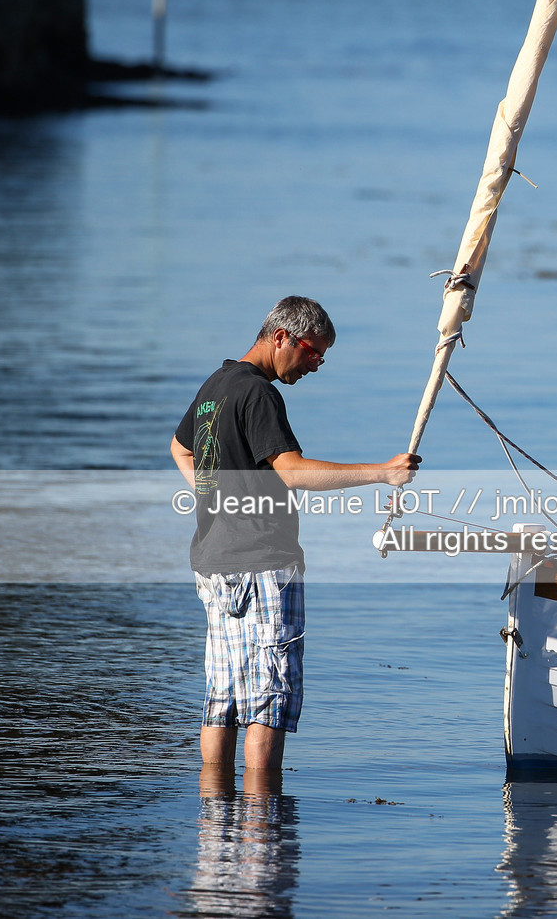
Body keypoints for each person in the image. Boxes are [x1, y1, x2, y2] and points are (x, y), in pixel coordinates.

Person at [170, 296, 420, 780]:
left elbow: (179, 448)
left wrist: (216, 496)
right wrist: (381, 473)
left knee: (221, 699)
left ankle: (217, 836)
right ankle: (263, 838)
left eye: (321, 356)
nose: (315, 364)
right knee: (269, 700)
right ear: (280, 336)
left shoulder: (213, 387)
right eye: (312, 351)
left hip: (212, 564)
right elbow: (292, 471)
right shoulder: (259, 395)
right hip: (263, 565)